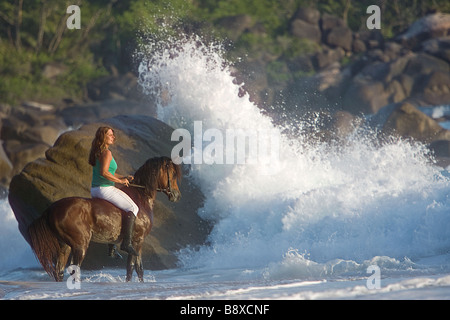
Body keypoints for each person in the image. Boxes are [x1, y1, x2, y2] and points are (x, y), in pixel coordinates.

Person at [88, 126, 139, 256]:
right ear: (103, 137)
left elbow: (111, 172)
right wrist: (121, 182)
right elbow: (104, 173)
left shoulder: (98, 151)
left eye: (113, 135)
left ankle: (112, 247)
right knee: (133, 208)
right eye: (110, 135)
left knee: (116, 212)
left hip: (95, 190)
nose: (113, 137)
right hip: (105, 189)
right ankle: (126, 244)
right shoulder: (106, 153)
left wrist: (123, 176)